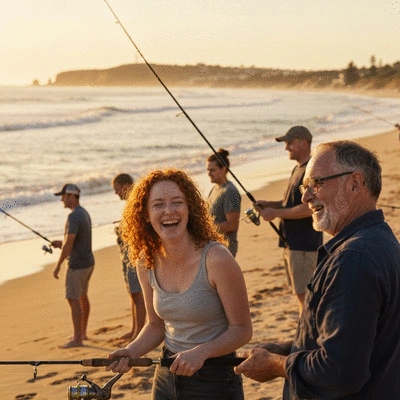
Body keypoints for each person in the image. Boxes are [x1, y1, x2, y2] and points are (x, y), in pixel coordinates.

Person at [235, 140, 400, 399]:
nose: (306, 196)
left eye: (316, 184)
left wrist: (276, 365)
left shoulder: (353, 259)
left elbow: (339, 371)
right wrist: (283, 350)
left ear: (355, 183)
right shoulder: (381, 239)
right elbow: (350, 341)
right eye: (304, 186)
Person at [106, 168, 252, 399]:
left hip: (215, 378)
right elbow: (156, 325)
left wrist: (202, 352)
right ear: (145, 214)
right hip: (166, 374)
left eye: (177, 202)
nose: (169, 211)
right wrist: (130, 351)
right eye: (158, 205)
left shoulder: (217, 259)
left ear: (189, 209)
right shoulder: (145, 261)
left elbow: (242, 330)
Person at [254, 126, 322, 313]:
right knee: (299, 295)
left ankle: (309, 338)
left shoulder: (310, 170)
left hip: (304, 244)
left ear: (304, 142)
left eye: (290, 143)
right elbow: (289, 203)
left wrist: (276, 214)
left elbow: (310, 208)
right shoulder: (297, 169)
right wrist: (270, 204)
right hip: (291, 243)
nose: (286, 148)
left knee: (306, 298)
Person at [52, 183, 95, 348]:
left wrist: (58, 265)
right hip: (88, 262)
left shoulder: (73, 216)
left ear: (71, 196)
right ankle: (82, 333)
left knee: (73, 299)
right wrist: (60, 243)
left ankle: (77, 339)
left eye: (63, 196)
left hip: (77, 265)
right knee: (83, 297)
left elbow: (69, 243)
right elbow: (74, 240)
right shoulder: (83, 213)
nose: (62, 199)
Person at [112, 173, 146, 340]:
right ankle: (135, 329)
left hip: (134, 256)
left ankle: (139, 332)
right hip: (127, 255)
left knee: (137, 294)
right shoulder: (129, 204)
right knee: (132, 293)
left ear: (125, 186)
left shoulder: (136, 203)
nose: (116, 193)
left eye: (117, 189)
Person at [206, 149, 241, 257]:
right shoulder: (214, 189)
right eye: (208, 170)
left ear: (223, 169)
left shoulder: (230, 192)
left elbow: (232, 225)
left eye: (212, 170)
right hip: (212, 246)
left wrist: (205, 228)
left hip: (225, 249)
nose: (209, 174)